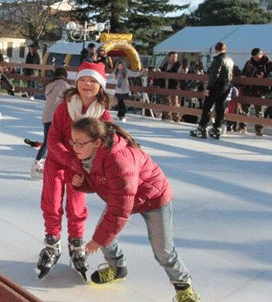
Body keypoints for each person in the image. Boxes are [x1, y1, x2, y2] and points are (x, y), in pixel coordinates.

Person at [69, 118, 201, 302]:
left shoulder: (118, 161)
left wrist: (98, 240)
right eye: (73, 141)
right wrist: (83, 184)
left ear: (97, 142)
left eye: (80, 142)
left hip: (154, 198)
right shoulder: (89, 155)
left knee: (163, 251)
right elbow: (103, 183)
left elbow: (119, 209)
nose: (75, 147)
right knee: (106, 234)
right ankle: (117, 268)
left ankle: (183, 286)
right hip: (126, 196)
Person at [37, 61, 112, 281]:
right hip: (59, 161)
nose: (87, 84)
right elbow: (52, 138)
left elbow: (106, 146)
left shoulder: (104, 116)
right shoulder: (65, 106)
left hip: (83, 167)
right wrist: (71, 160)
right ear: (76, 82)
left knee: (77, 206)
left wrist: (91, 168)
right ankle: (52, 245)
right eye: (83, 80)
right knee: (51, 202)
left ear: (100, 86)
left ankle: (76, 245)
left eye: (92, 81)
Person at [29, 67, 72, 180]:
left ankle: (48, 164)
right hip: (55, 117)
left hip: (47, 116)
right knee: (49, 142)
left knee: (51, 142)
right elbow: (70, 97)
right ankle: (36, 165)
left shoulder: (50, 85)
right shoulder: (63, 84)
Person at [190, 42, 234, 139]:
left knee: (207, 105)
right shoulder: (230, 60)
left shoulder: (218, 59)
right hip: (227, 85)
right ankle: (217, 128)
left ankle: (202, 127)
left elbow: (215, 74)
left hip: (217, 85)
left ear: (216, 49)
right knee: (220, 106)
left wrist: (209, 88)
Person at [237, 48, 272, 135]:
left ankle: (259, 129)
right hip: (248, 89)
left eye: (257, 56)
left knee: (259, 110)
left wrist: (264, 78)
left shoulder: (268, 64)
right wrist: (243, 76)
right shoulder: (249, 63)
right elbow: (243, 72)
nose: (256, 58)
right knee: (244, 109)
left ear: (261, 54)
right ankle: (243, 126)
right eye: (254, 56)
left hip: (260, 90)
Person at [160, 52, 182, 122]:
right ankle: (167, 117)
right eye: (173, 57)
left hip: (173, 85)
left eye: (175, 57)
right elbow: (162, 70)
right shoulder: (166, 64)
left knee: (174, 102)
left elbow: (175, 71)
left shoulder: (178, 64)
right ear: (169, 57)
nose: (174, 58)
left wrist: (167, 71)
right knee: (166, 101)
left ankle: (176, 118)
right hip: (166, 84)